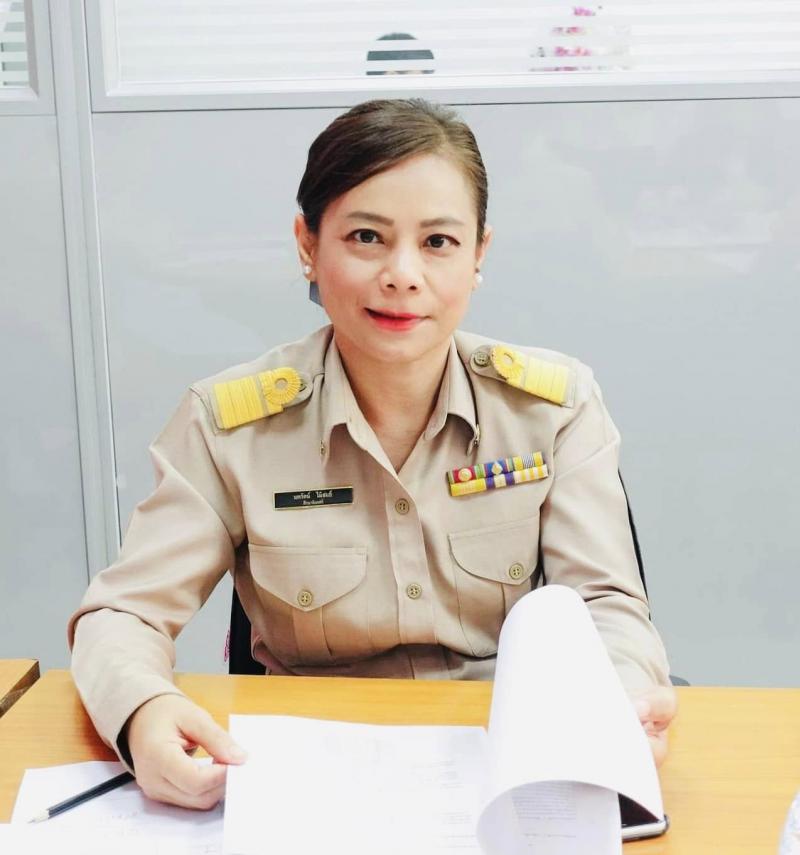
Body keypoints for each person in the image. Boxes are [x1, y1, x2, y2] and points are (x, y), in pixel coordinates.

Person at [69, 98, 676, 810]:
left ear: (479, 254)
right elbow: (123, 615)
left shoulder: (553, 408)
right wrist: (143, 712)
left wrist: (618, 700)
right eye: (366, 236)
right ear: (308, 244)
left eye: (439, 241)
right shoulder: (228, 425)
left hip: (509, 764)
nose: (403, 274)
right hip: (309, 778)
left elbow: (605, 603)